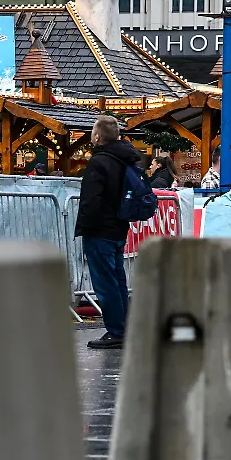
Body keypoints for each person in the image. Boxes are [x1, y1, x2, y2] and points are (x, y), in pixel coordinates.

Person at [76, 116, 143, 349]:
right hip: (118, 227)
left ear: (97, 136)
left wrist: (85, 225)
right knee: (118, 280)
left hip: (99, 229)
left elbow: (91, 200)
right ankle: (124, 327)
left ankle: (116, 330)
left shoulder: (99, 162)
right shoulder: (126, 159)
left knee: (105, 283)